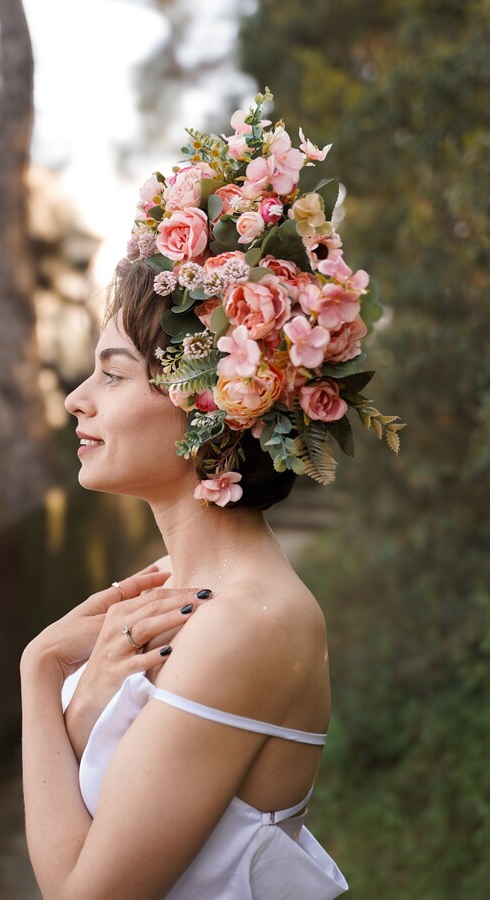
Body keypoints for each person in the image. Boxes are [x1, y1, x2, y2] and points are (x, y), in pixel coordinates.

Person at [21, 89, 402, 899]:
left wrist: (37, 675)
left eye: (114, 373)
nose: (75, 400)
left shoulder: (248, 622)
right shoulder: (177, 598)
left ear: (212, 402)